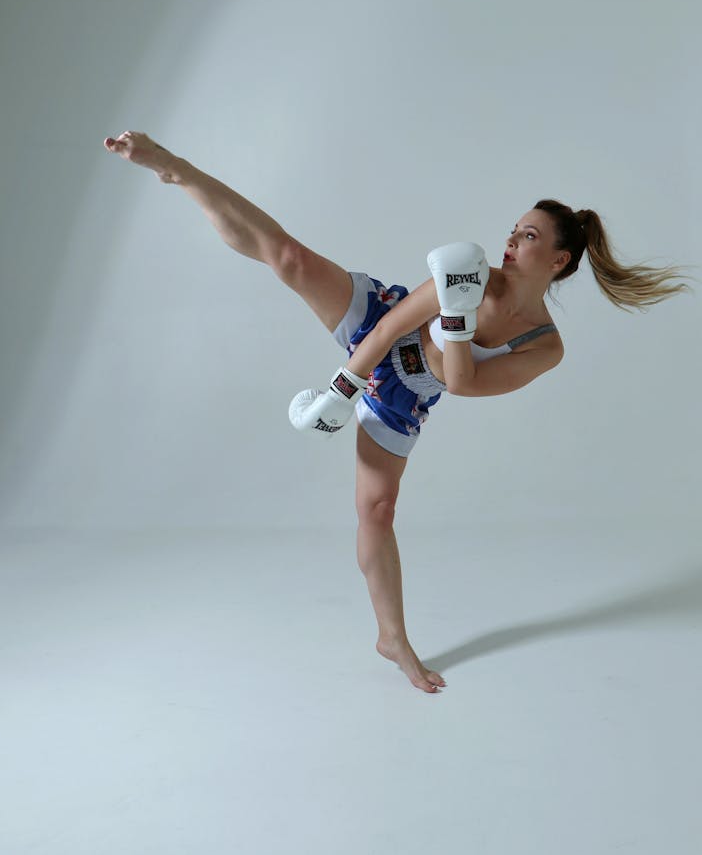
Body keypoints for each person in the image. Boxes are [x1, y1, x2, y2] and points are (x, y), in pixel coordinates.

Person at [104, 130, 695, 694]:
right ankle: (175, 169)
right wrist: (340, 389)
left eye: (530, 236)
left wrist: (459, 318)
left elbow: (462, 383)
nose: (512, 241)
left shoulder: (544, 346)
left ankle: (392, 638)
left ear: (562, 260)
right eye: (513, 230)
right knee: (290, 259)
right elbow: (388, 326)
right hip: (382, 335)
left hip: (409, 392)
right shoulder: (470, 270)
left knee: (377, 511)